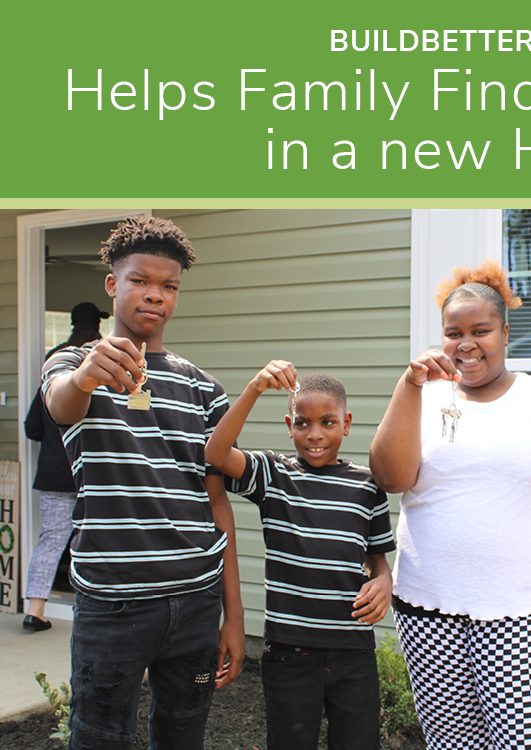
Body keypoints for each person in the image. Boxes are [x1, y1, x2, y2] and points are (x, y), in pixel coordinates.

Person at [369, 259, 531, 750]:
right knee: (452, 744)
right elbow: (390, 477)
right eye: (453, 332)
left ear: (505, 333)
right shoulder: (423, 397)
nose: (466, 344)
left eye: (480, 330)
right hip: (428, 611)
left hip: (523, 615)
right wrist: (409, 385)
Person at [42, 217, 244, 749]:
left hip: (197, 603)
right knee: (99, 739)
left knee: (183, 736)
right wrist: (89, 373)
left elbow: (216, 503)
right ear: (113, 284)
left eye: (169, 286)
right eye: (139, 281)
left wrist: (234, 616)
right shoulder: (71, 363)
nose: (154, 295)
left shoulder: (203, 388)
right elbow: (62, 403)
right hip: (114, 604)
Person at [204, 363, 395, 750]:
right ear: (289, 425)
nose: (315, 435)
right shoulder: (273, 475)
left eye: (327, 422)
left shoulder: (367, 485)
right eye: (303, 424)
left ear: (346, 423)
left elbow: (377, 558)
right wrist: (256, 388)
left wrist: (384, 580)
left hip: (353, 650)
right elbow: (216, 452)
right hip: (290, 652)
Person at [22, 302, 109, 632]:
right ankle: (94, 611)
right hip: (93, 474)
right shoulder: (102, 364)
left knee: (51, 541)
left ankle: (36, 609)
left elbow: (32, 427)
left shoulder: (54, 366)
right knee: (96, 542)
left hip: (54, 474)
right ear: (95, 325)